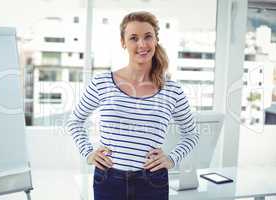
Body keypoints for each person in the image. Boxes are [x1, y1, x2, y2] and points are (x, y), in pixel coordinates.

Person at [66, 11, 199, 200]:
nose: (142, 45)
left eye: (147, 37)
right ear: (123, 42)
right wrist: (88, 153)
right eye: (133, 38)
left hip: (153, 182)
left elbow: (191, 133)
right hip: (109, 180)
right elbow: (75, 122)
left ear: (156, 40)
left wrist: (172, 159)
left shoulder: (172, 90)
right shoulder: (102, 82)